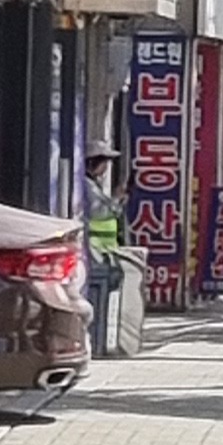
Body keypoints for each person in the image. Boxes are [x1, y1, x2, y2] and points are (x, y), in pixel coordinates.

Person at [83, 150, 123, 359]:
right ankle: (96, 342)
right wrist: (116, 200)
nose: (106, 169)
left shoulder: (94, 185)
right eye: (104, 163)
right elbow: (99, 212)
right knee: (97, 298)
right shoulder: (87, 186)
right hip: (94, 251)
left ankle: (101, 341)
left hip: (103, 251)